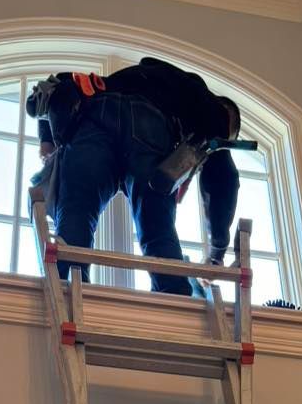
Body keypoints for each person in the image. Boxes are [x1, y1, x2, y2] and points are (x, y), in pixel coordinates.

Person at [28, 57, 241, 296]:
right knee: (155, 222)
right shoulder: (212, 109)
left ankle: (68, 286)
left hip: (95, 117)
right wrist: (217, 252)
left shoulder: (144, 76)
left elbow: (59, 84)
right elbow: (223, 180)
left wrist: (47, 140)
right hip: (149, 127)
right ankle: (172, 292)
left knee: (78, 208)